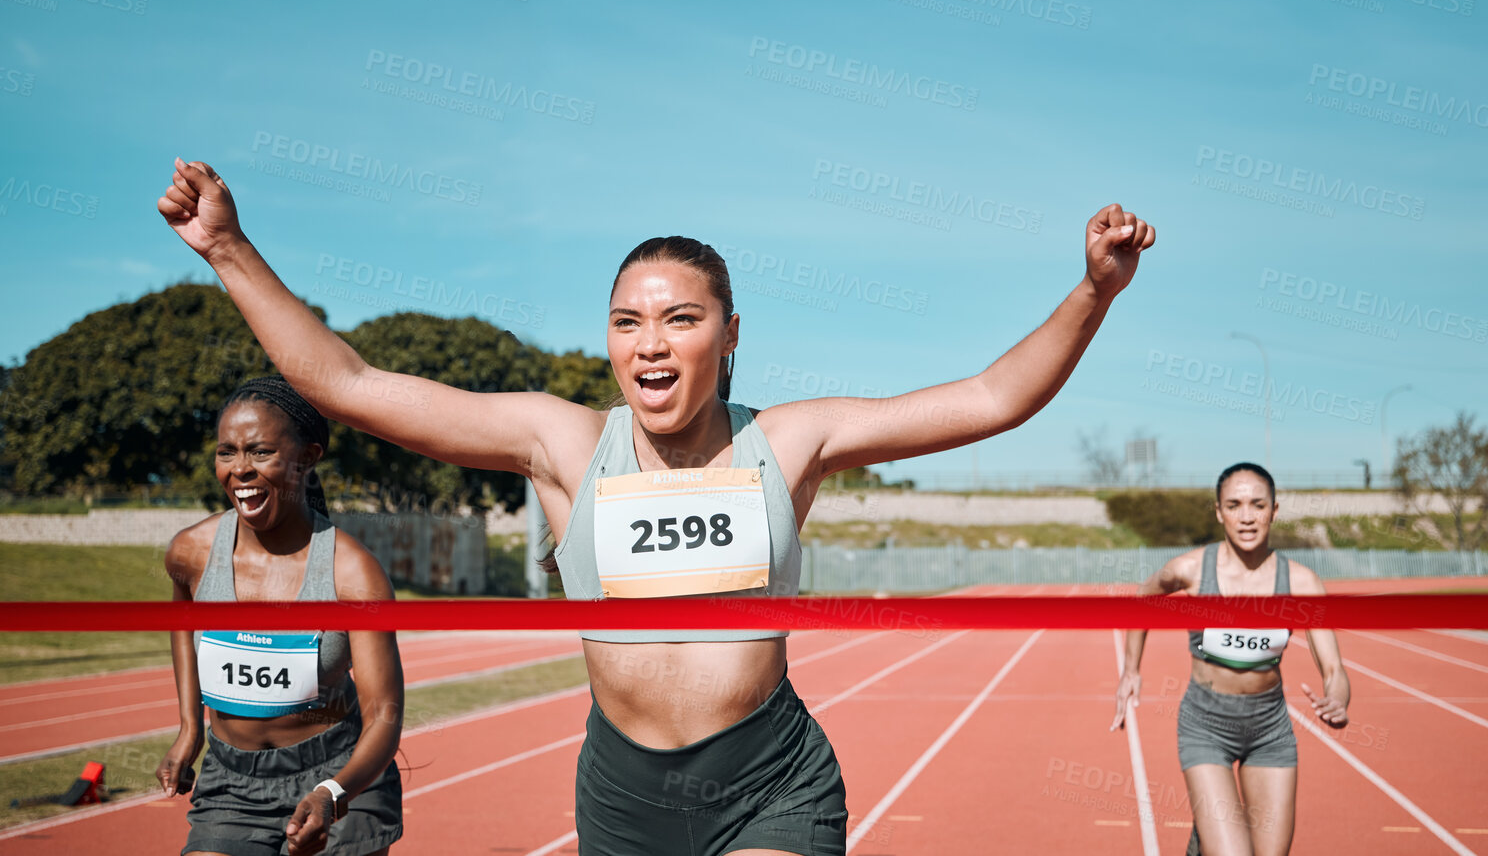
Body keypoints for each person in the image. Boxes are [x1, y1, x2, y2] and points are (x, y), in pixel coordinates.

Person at [159, 157, 1155, 856]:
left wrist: (1091, 292)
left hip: (770, 778)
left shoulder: (791, 440)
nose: (651, 340)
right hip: (623, 793)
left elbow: (989, 398)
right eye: (628, 319)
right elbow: (348, 382)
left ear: (729, 335)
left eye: (681, 316)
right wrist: (227, 246)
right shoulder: (561, 444)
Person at [156, 376, 405, 856]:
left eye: (260, 452)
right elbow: (183, 624)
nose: (240, 469)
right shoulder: (190, 552)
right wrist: (190, 729)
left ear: (307, 458)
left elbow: (384, 716)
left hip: (340, 776)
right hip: (232, 780)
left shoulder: (354, 573)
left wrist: (333, 794)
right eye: (226, 452)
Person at [1110, 462, 1351, 856]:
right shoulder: (1189, 570)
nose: (1247, 516)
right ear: (1219, 512)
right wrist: (1130, 670)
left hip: (1269, 730)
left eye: (1258, 505)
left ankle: (1205, 838)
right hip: (1205, 725)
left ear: (1274, 510)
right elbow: (1144, 598)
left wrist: (1338, 700)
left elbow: (1335, 669)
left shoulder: (1302, 584)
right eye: (1234, 505)